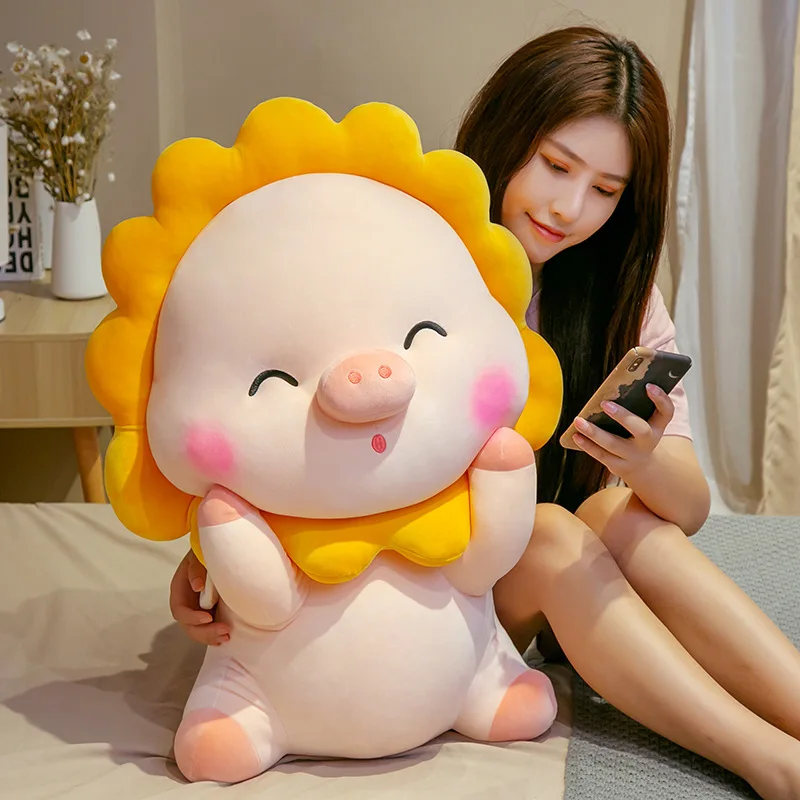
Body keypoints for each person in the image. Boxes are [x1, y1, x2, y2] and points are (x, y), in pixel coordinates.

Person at [168, 26, 800, 799]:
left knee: (616, 513)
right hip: (413, 591)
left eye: (606, 190)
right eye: (556, 166)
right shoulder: (407, 254)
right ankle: (773, 766)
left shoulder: (615, 294)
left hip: (523, 591)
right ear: (508, 132)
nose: (570, 208)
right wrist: (204, 562)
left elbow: (692, 509)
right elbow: (287, 423)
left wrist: (641, 459)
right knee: (555, 528)